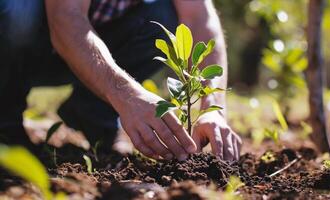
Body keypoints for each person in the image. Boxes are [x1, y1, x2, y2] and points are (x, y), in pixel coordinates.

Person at [0, 0, 242, 161]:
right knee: (19, 10)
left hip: (85, 55)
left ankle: (92, 111)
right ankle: (6, 124)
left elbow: (201, 19)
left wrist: (212, 106)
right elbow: (65, 17)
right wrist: (126, 93)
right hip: (27, 46)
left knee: (163, 16)